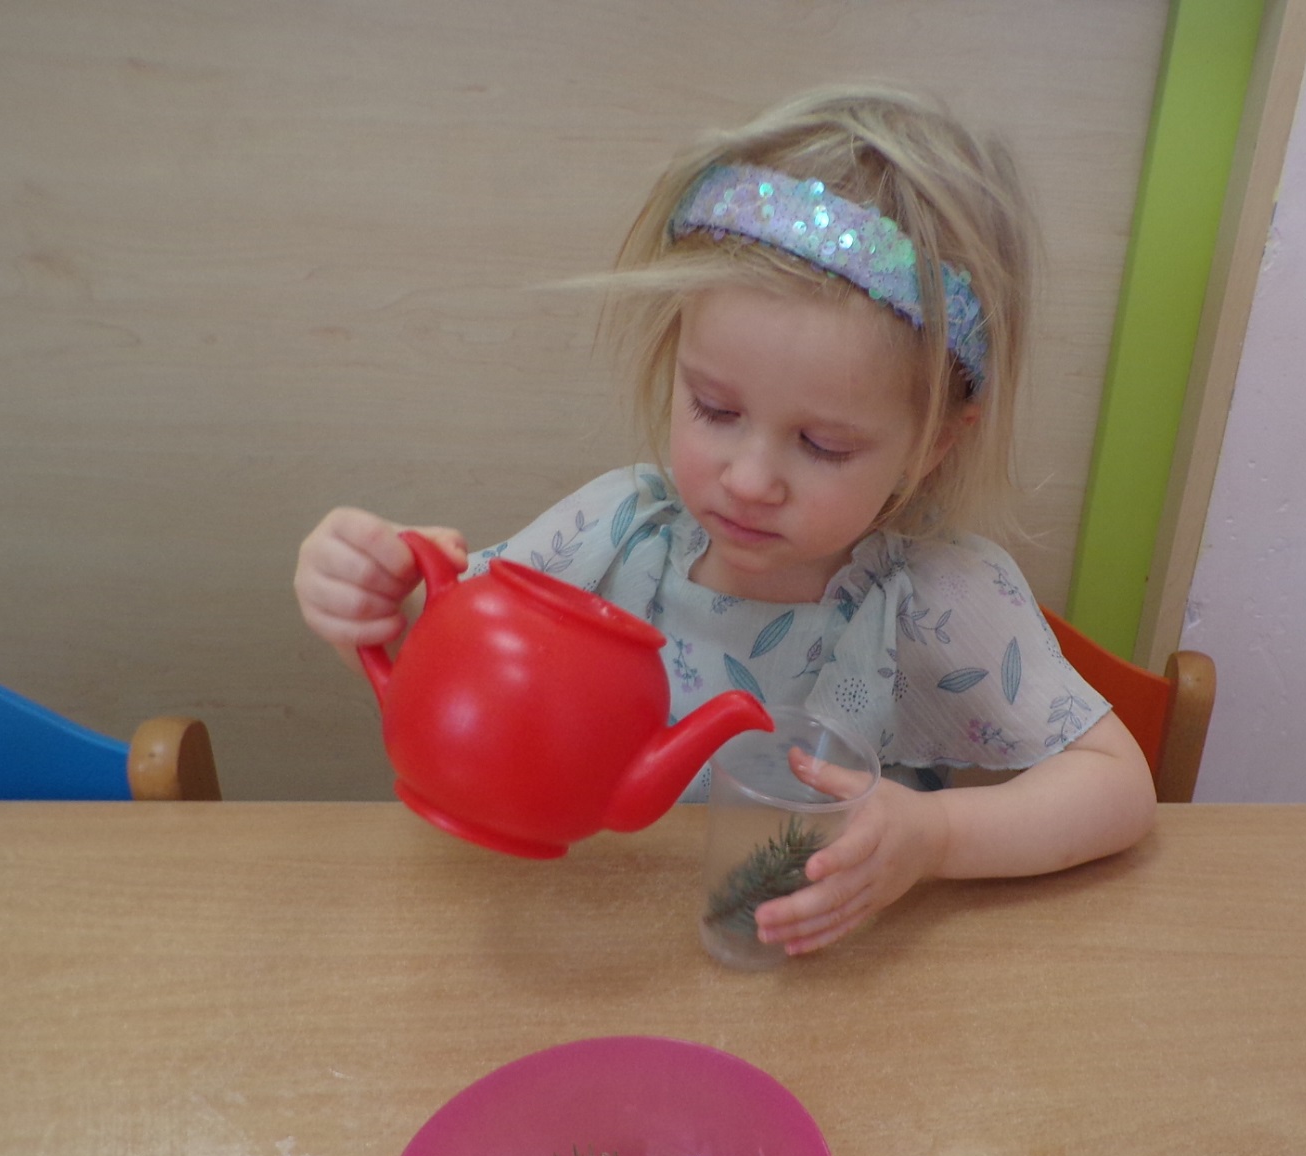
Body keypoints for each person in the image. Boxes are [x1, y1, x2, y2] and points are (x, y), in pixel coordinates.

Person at [294, 85, 1157, 954]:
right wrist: (370, 598)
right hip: (591, 944)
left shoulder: (934, 597)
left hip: (815, 971)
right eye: (714, 408)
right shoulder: (618, 529)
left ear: (931, 443)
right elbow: (440, 661)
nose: (749, 480)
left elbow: (1119, 786)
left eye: (822, 444)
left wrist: (936, 838)